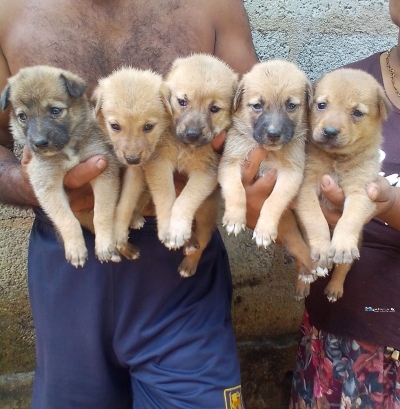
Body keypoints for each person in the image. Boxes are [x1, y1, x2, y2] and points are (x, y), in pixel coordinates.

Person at [0, 1, 262, 408]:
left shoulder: (213, 5)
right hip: (70, 267)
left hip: (181, 275)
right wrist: (28, 183)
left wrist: (248, 177)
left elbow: (255, 114)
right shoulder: (9, 12)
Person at [288, 0, 400, 407]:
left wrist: (386, 205)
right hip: (337, 337)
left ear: (377, 118)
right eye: (321, 106)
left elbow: (363, 198)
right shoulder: (353, 77)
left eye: (357, 114)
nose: (332, 124)